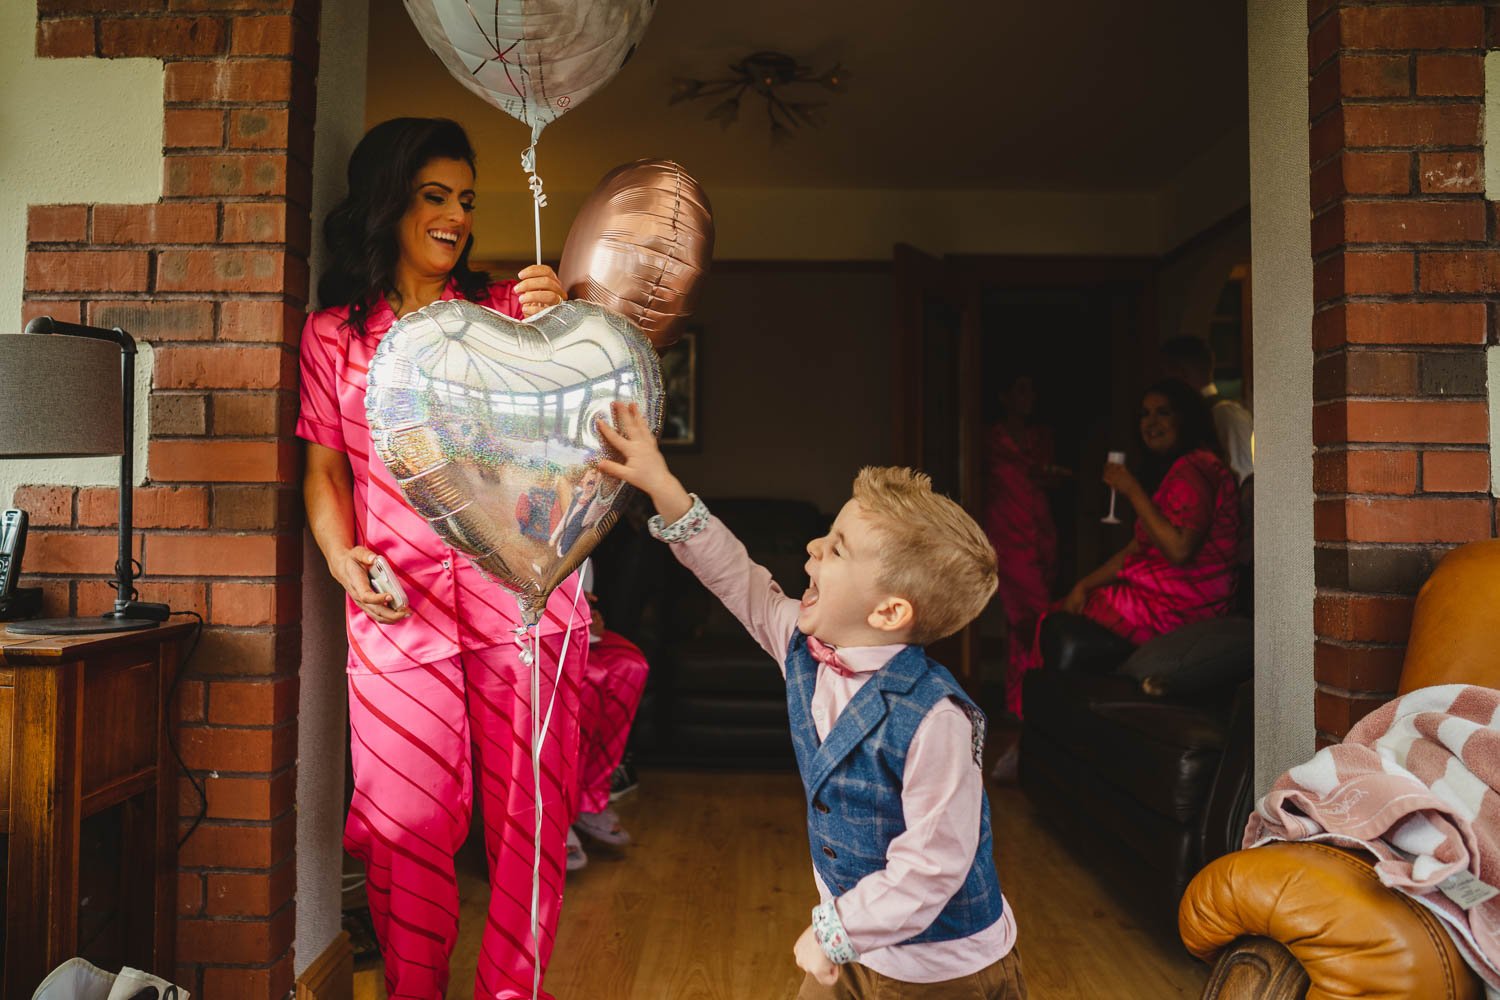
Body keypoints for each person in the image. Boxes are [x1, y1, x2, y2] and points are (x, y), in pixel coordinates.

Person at [597, 402, 1027, 1000]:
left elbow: (934, 865)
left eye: (838, 548)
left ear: (889, 612)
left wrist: (835, 933)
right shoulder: (801, 641)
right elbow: (734, 574)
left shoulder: (936, 718)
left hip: (941, 970)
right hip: (847, 938)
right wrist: (661, 483)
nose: (813, 546)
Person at [298, 117, 588, 1000]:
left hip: (522, 606)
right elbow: (323, 470)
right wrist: (345, 560)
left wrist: (561, 325)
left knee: (527, 824)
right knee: (407, 819)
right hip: (399, 608)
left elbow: (576, 437)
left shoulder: (504, 313)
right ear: (388, 204)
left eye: (465, 199)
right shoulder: (333, 338)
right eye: (435, 196)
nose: (456, 216)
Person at [1054, 379, 1240, 651]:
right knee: (1066, 607)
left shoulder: (1196, 468)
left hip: (1185, 608)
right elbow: (1137, 549)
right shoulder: (1182, 469)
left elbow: (1179, 550)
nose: (1151, 423)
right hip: (1167, 600)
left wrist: (1131, 490)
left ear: (1185, 419)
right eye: (1144, 414)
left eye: (1163, 413)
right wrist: (1083, 585)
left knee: (1055, 619)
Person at [982, 373, 1061, 720]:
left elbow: (1044, 477)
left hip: (1040, 532)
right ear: (1005, 396)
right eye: (1021, 390)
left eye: (1032, 390)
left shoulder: (1039, 437)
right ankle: (1030, 700)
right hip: (1006, 536)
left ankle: (1020, 702)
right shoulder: (989, 438)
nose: (1028, 397)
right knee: (1032, 618)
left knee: (1026, 624)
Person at [565, 561, 650, 872]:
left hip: (576, 629)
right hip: (525, 633)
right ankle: (554, 816)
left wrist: (587, 615)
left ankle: (589, 800)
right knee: (589, 680)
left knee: (630, 666)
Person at [1160, 335, 1254, 483]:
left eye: (1165, 375)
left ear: (1180, 373)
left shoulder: (1225, 414)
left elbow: (1243, 476)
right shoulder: (1189, 415)